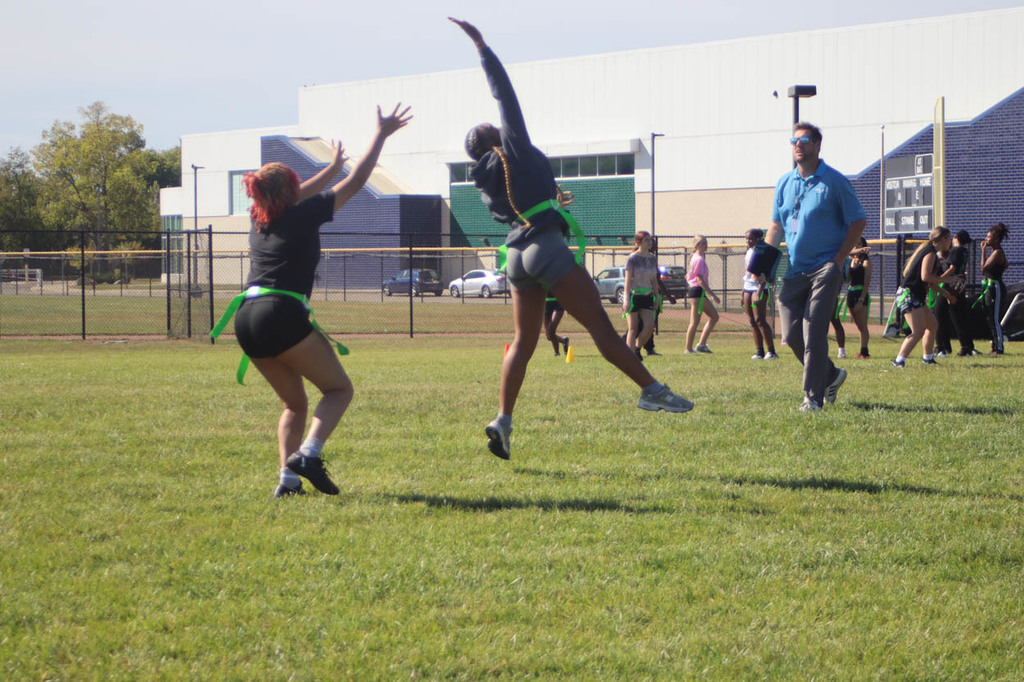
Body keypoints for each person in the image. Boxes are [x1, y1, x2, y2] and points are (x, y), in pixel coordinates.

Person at [450, 17, 694, 461]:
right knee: (600, 327)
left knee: (523, 342)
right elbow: (506, 96)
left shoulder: (482, 176)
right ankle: (651, 390)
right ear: (496, 138)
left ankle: (502, 420)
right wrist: (484, 48)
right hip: (544, 247)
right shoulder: (514, 148)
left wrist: (551, 197)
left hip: (516, 256)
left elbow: (524, 197)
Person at [229, 104, 412, 497]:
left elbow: (300, 192)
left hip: (246, 318)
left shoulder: (259, 217)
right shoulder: (303, 214)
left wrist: (330, 169)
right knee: (338, 390)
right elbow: (359, 181)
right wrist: (379, 136)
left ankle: (288, 481)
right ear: (291, 192)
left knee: (294, 404)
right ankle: (309, 454)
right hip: (280, 313)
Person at [766, 122, 866, 411]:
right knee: (791, 334)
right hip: (795, 269)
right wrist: (764, 264)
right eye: (794, 140)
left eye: (805, 140)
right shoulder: (785, 182)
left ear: (818, 145)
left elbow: (858, 221)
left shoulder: (833, 181)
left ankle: (813, 397)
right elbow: (776, 226)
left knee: (814, 332)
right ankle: (832, 375)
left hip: (826, 267)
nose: (798, 144)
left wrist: (837, 260)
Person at [891, 227, 960, 367]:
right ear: (942, 239)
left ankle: (927, 358)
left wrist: (947, 295)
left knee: (932, 325)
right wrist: (949, 280)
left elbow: (929, 283)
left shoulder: (930, 251)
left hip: (915, 296)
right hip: (909, 295)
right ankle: (899, 361)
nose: (950, 242)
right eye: (949, 238)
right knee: (917, 332)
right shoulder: (930, 253)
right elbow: (926, 277)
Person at [934, 229, 973, 357]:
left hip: (950, 285)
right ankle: (966, 347)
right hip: (958, 285)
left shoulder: (957, 250)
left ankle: (941, 347)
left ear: (955, 237)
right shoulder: (964, 251)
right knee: (958, 317)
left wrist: (939, 279)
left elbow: (952, 268)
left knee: (939, 315)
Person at [741, 228, 778, 360]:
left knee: (760, 319)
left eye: (751, 239)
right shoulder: (748, 252)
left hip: (758, 288)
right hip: (747, 287)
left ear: (757, 239)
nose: (748, 241)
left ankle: (771, 351)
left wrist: (759, 291)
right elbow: (747, 274)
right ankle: (759, 351)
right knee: (752, 320)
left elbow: (764, 274)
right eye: (746, 239)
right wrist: (743, 291)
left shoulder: (761, 252)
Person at [623, 231, 659, 360]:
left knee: (649, 326)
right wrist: (626, 299)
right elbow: (627, 280)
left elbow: (654, 280)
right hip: (634, 295)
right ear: (639, 242)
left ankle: (637, 348)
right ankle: (630, 357)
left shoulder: (652, 258)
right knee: (633, 328)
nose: (650, 243)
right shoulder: (633, 258)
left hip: (647, 295)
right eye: (646, 240)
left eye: (650, 240)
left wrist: (656, 297)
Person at [684, 235, 720, 354]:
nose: (706, 245)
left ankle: (701, 344)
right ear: (698, 245)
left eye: (706, 242)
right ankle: (688, 349)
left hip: (697, 291)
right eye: (703, 243)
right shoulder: (698, 259)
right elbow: (700, 280)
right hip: (697, 291)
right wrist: (713, 295)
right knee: (694, 322)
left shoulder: (696, 257)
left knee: (714, 316)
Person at [979, 222, 1010, 355]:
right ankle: (994, 346)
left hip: (995, 287)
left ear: (996, 239)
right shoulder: (996, 252)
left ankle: (999, 347)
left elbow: (983, 268)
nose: (986, 239)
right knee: (989, 317)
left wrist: (983, 251)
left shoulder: (997, 252)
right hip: (989, 286)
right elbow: (1006, 264)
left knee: (995, 317)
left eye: (989, 237)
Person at [846, 238, 873, 358]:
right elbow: (847, 280)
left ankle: (864, 351)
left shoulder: (866, 263)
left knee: (863, 326)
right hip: (850, 293)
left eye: (859, 245)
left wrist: (861, 300)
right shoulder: (851, 261)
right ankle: (862, 349)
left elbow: (866, 283)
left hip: (859, 293)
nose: (856, 247)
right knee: (857, 325)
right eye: (854, 244)